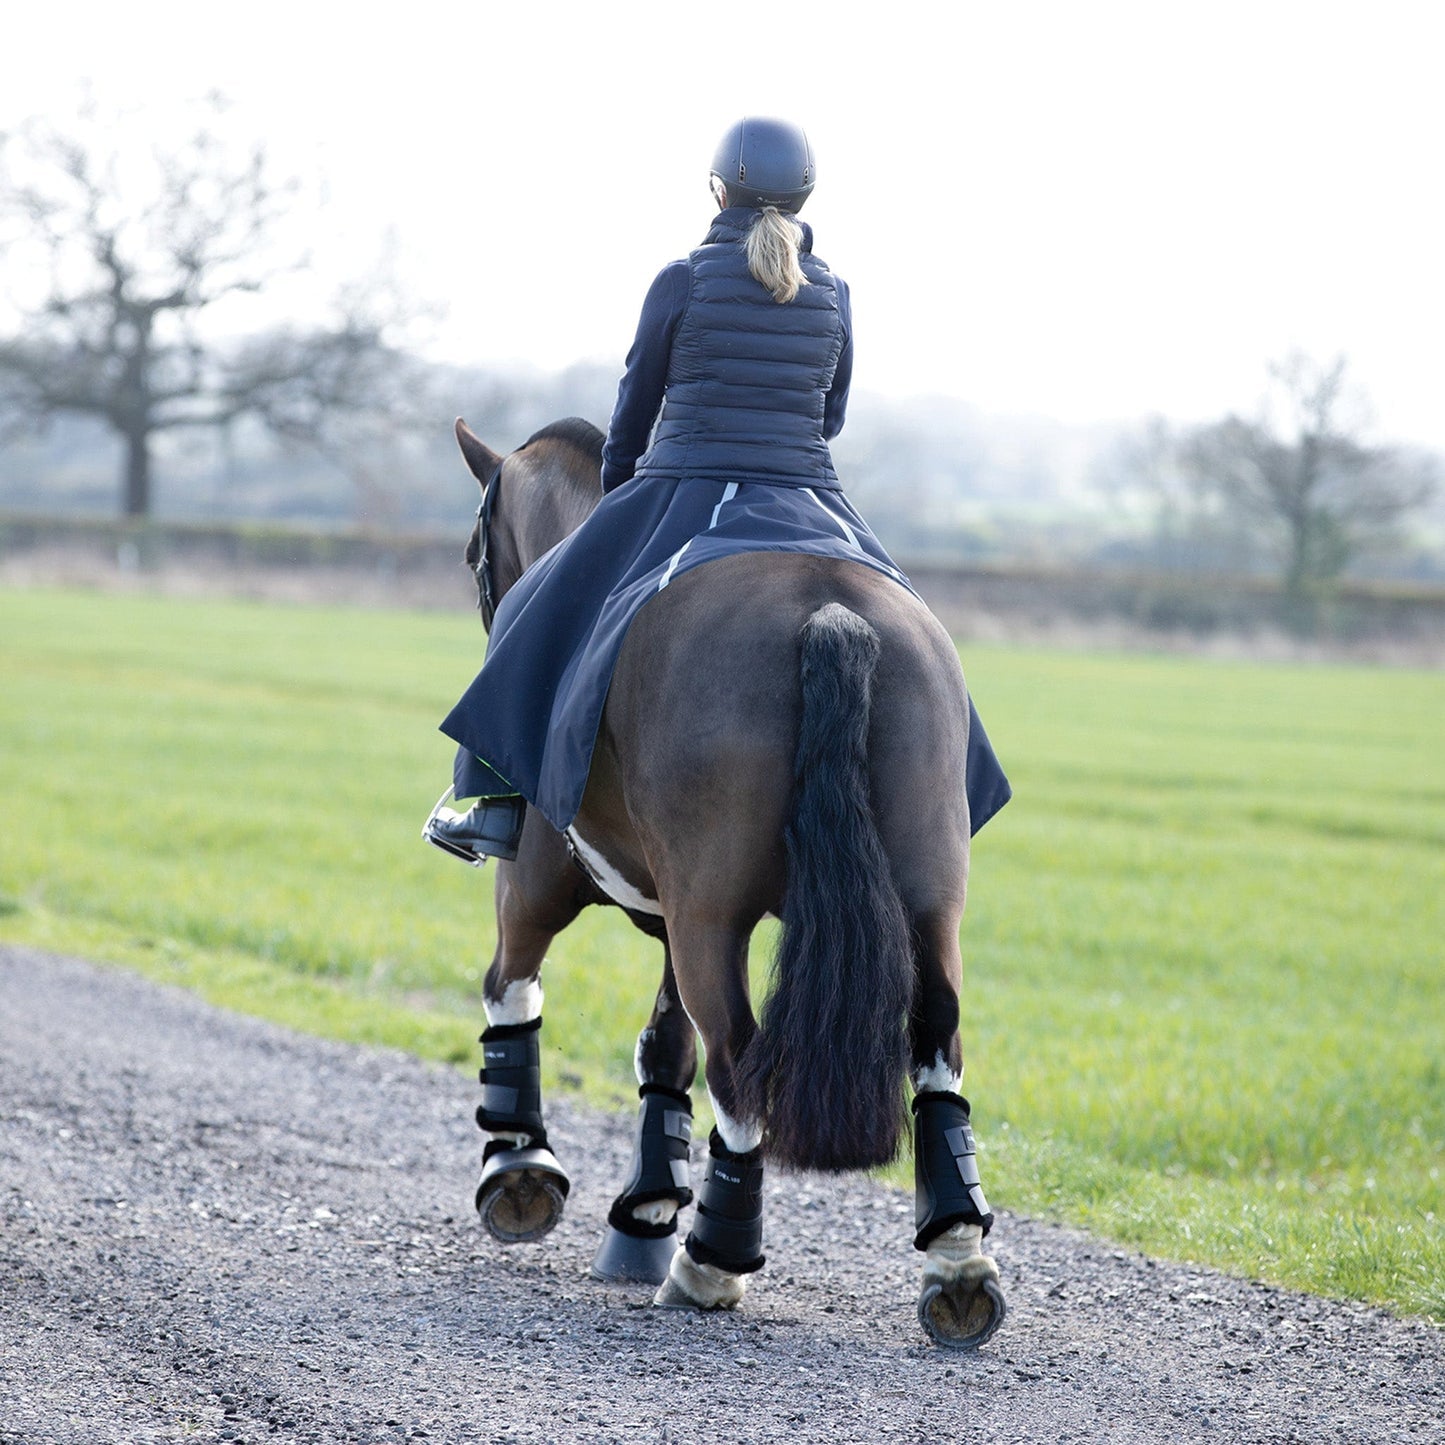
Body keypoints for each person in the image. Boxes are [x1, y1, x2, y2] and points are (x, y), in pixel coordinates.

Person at [425, 116, 1009, 864]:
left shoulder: (681, 280)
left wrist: (620, 496)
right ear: (804, 195)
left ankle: (493, 806)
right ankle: (952, 798)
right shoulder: (834, 293)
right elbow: (829, 415)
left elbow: (631, 414)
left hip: (682, 485)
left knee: (524, 608)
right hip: (808, 491)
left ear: (716, 188)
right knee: (912, 621)